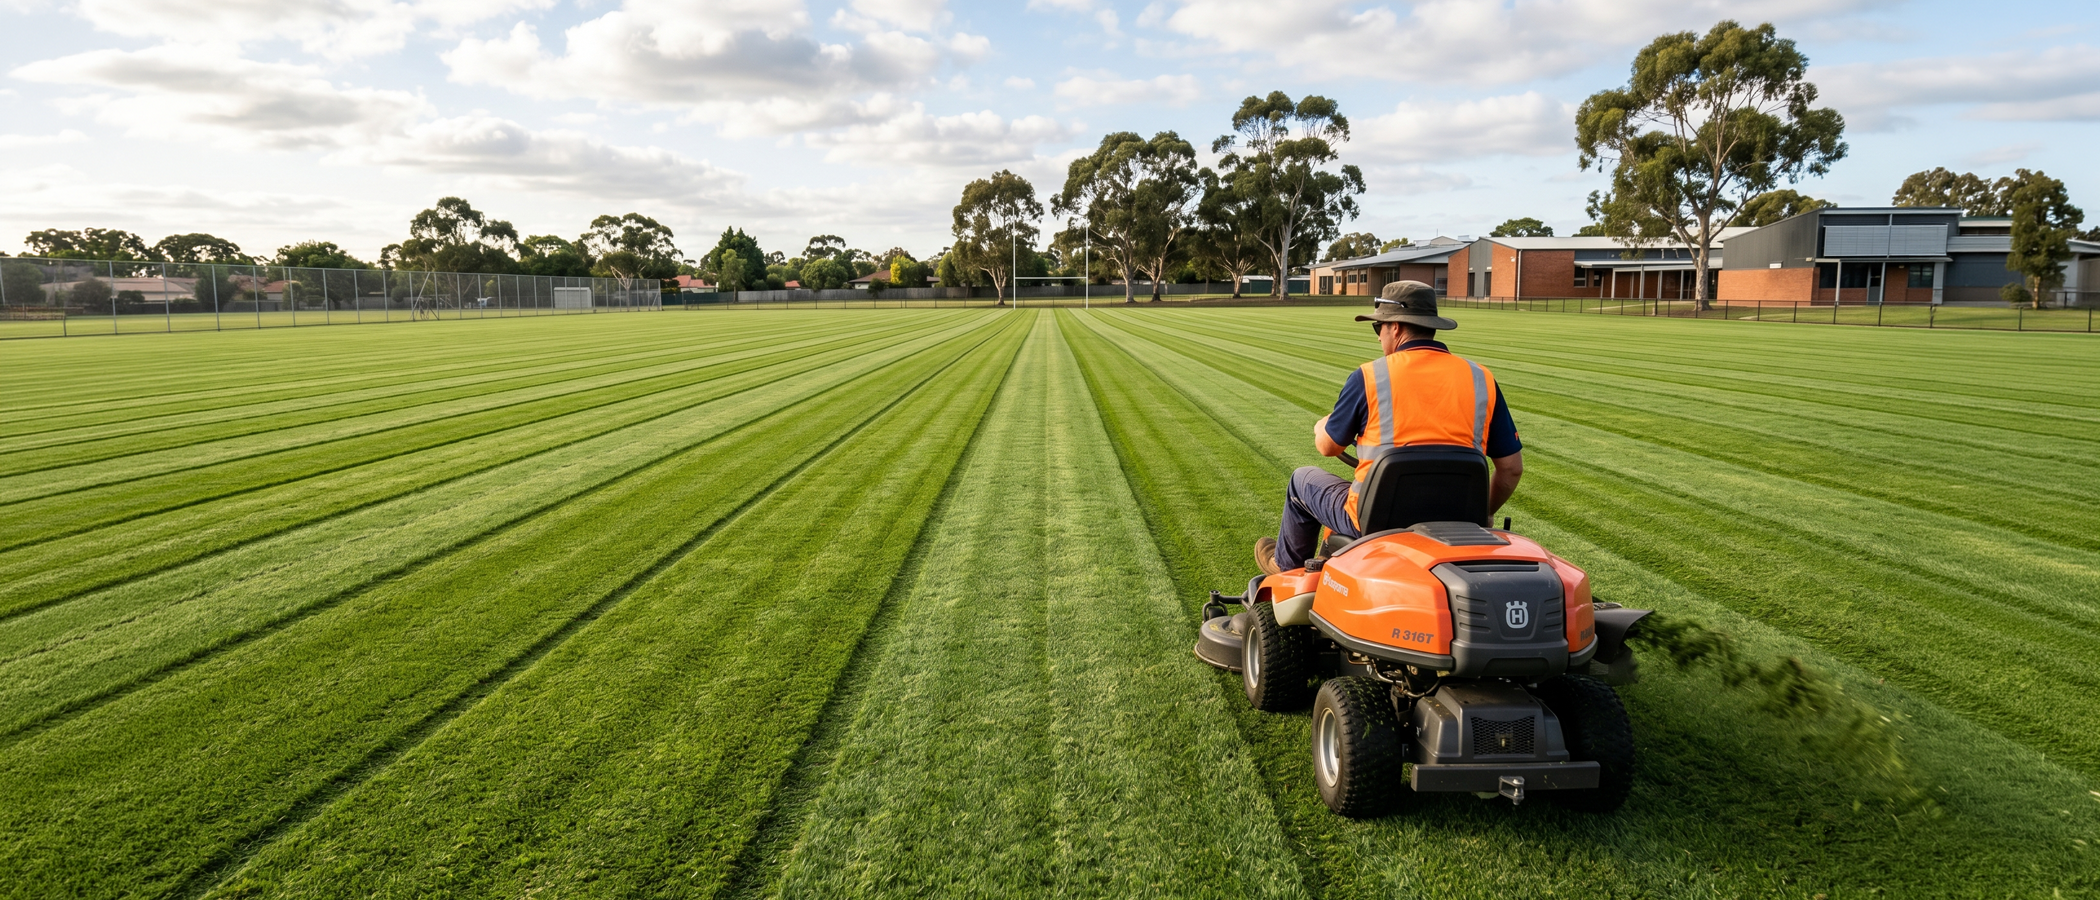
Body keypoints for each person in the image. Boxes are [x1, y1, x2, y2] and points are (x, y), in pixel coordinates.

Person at [1256, 281, 1524, 575]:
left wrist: (1322, 425)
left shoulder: (1370, 376)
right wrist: (1481, 514)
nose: (1379, 337)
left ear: (1395, 327)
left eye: (1378, 327)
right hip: (1458, 521)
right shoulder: (1481, 378)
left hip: (1375, 520)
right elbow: (1511, 468)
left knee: (1301, 480)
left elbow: (1328, 447)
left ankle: (1287, 572)